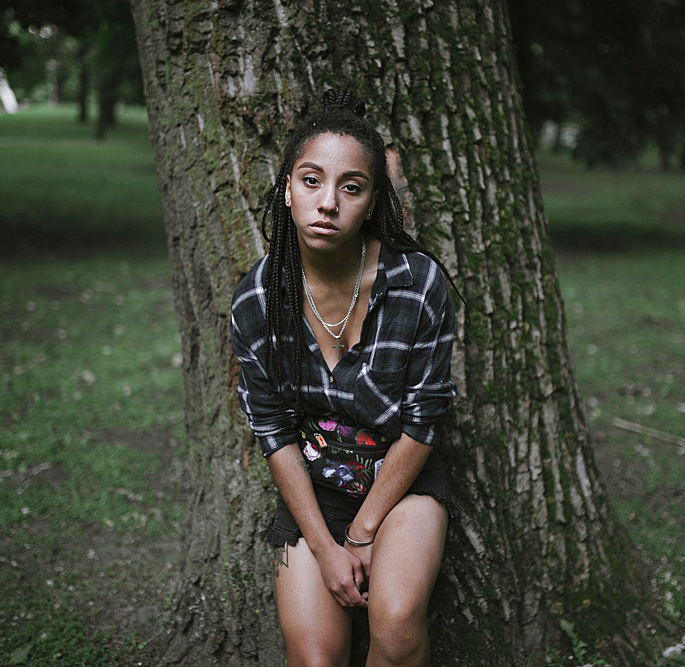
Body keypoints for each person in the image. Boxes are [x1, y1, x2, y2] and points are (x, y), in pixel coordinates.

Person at [230, 87, 462, 667]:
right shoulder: (259, 297)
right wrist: (324, 546)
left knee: (398, 626)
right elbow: (273, 431)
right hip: (314, 490)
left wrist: (361, 534)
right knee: (314, 659)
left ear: (372, 201)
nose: (328, 202)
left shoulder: (417, 284)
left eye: (350, 188)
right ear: (287, 190)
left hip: (400, 488)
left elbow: (423, 421)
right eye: (311, 181)